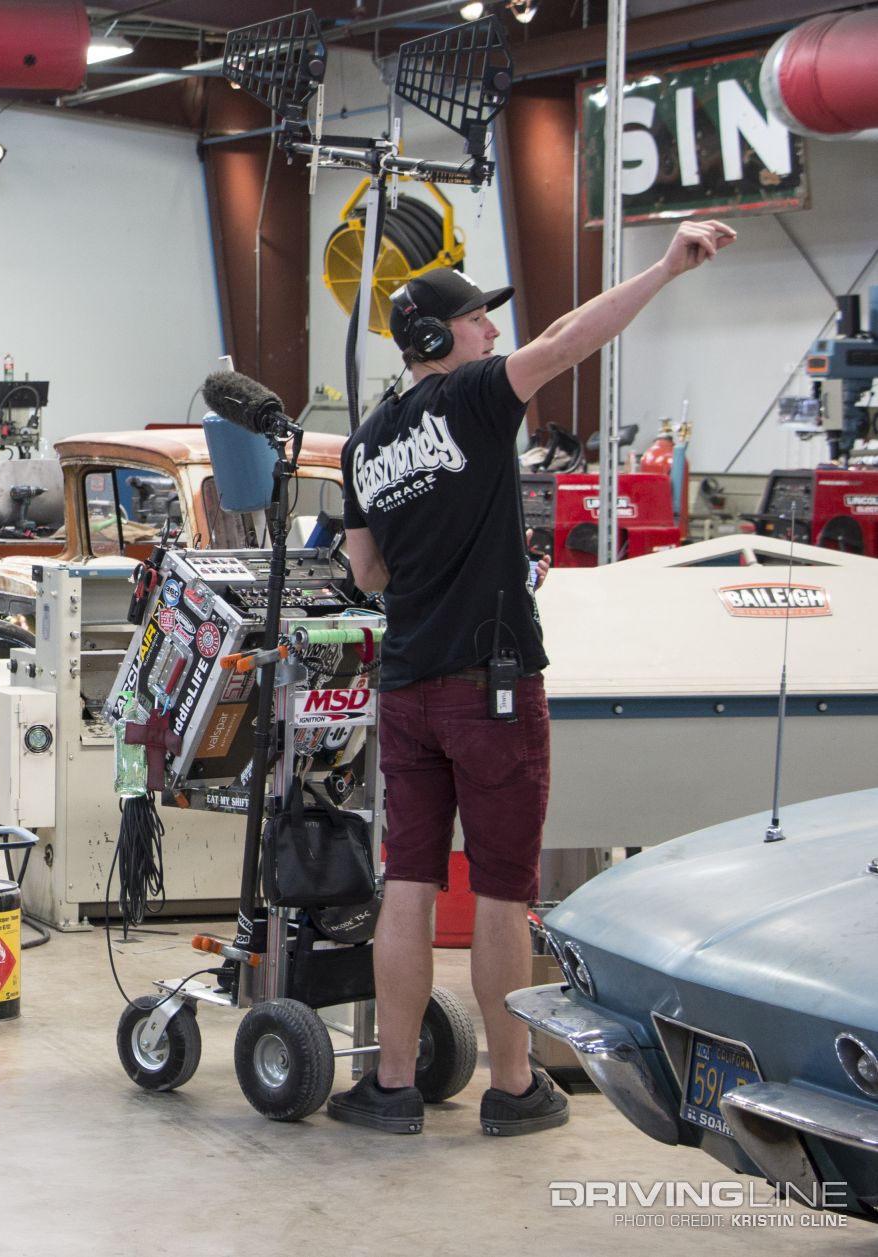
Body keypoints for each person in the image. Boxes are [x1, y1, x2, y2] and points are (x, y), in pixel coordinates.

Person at [330, 220, 737, 1135]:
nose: (494, 335)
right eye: (479, 321)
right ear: (438, 340)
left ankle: (393, 1084)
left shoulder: (361, 446)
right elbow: (569, 341)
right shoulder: (475, 397)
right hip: (492, 684)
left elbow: (368, 574)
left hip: (408, 686)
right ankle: (512, 1087)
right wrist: (665, 270)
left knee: (409, 882)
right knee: (505, 887)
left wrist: (434, 550)